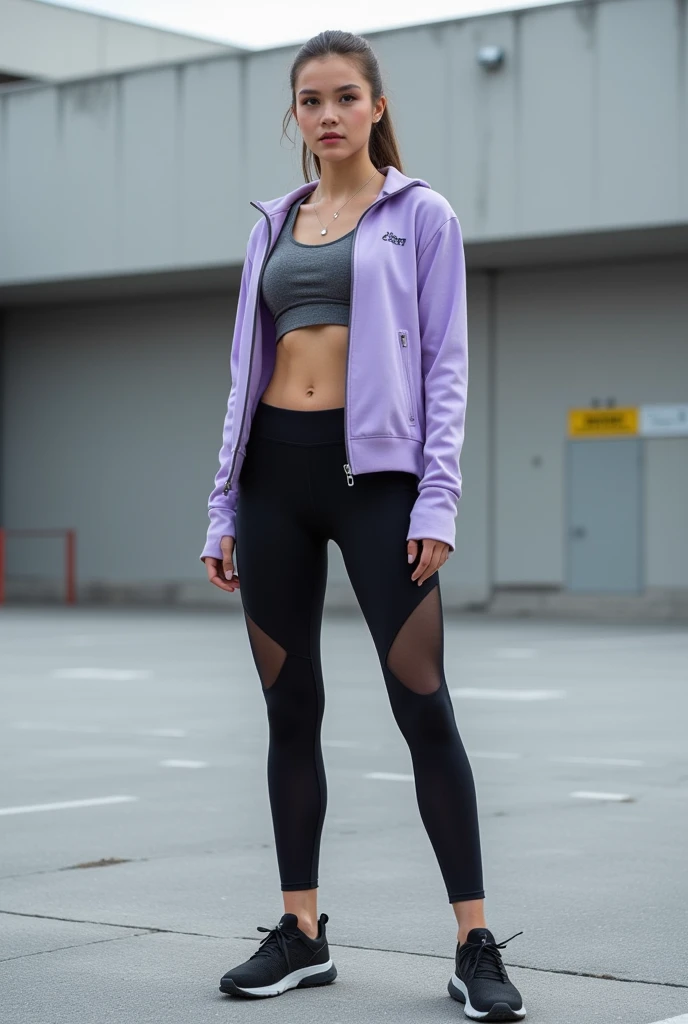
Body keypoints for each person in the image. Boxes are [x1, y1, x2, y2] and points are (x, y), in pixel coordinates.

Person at [200, 28, 526, 1022]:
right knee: (288, 709)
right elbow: (240, 375)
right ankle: (300, 931)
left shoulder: (420, 216)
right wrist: (222, 503)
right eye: (311, 100)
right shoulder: (272, 225)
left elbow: (446, 369)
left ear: (375, 106)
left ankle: (473, 939)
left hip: (375, 479)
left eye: (346, 95)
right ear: (295, 116)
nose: (329, 113)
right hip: (272, 481)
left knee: (422, 704)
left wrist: (438, 499)